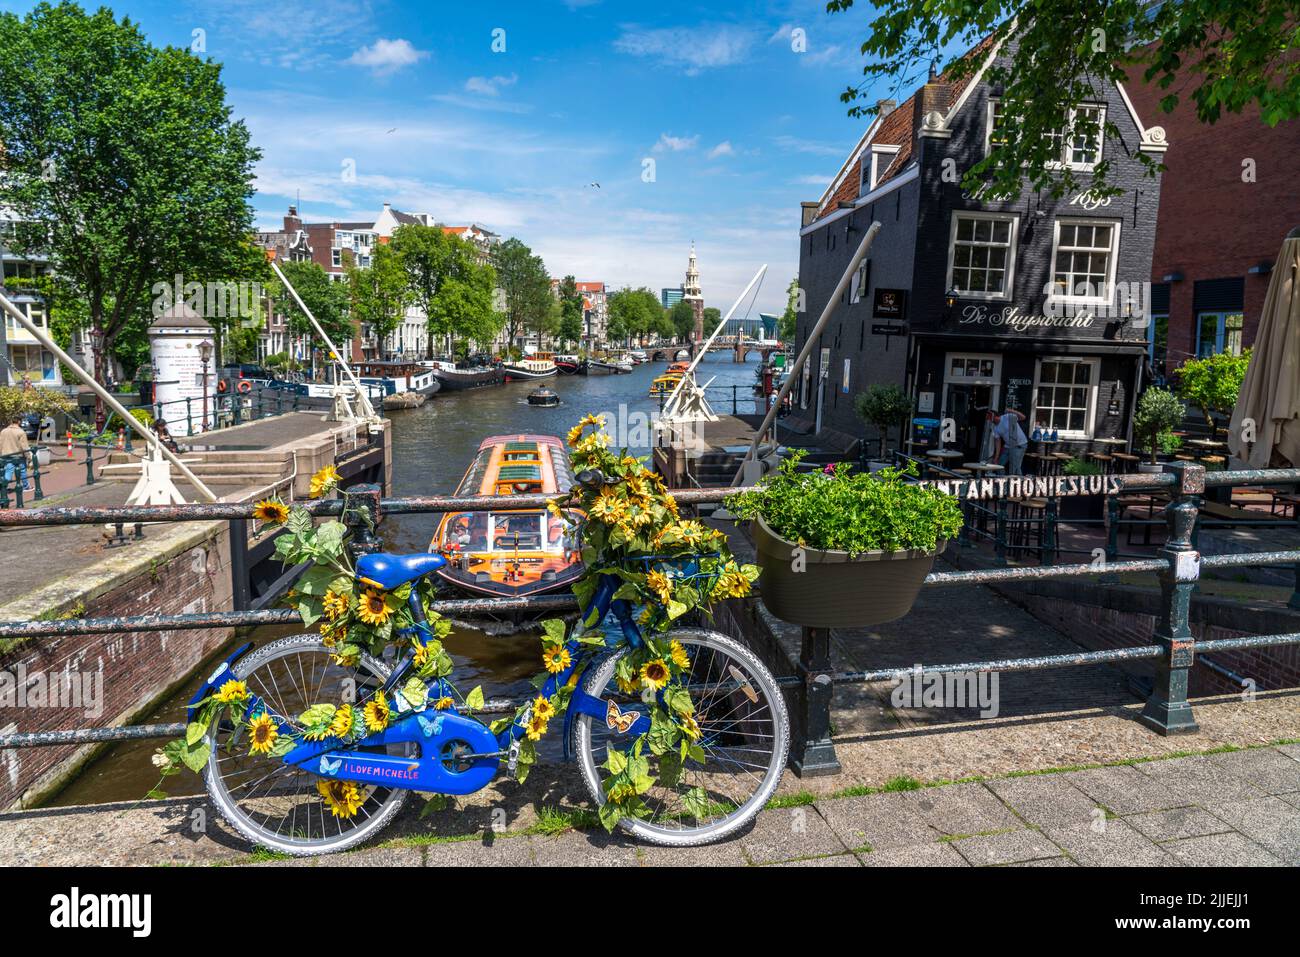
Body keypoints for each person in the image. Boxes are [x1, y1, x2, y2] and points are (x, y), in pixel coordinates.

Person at [991, 406, 1028, 475]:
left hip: (1019, 444)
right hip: (1008, 446)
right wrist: (996, 457)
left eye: (990, 418)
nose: (990, 420)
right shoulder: (995, 428)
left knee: (1015, 467)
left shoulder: (1007, 417)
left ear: (995, 416)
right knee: (999, 465)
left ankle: (1020, 483)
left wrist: (1012, 411)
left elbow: (1023, 417)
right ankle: (1002, 481)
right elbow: (998, 443)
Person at [0, 416, 32, 491]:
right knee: (22, 470)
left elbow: (0, 444)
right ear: (19, 422)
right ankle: (25, 486)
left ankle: (4, 486)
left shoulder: (3, 431)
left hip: (6, 454)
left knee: (8, 470)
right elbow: (24, 447)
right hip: (18, 455)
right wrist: (29, 457)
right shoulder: (21, 432)